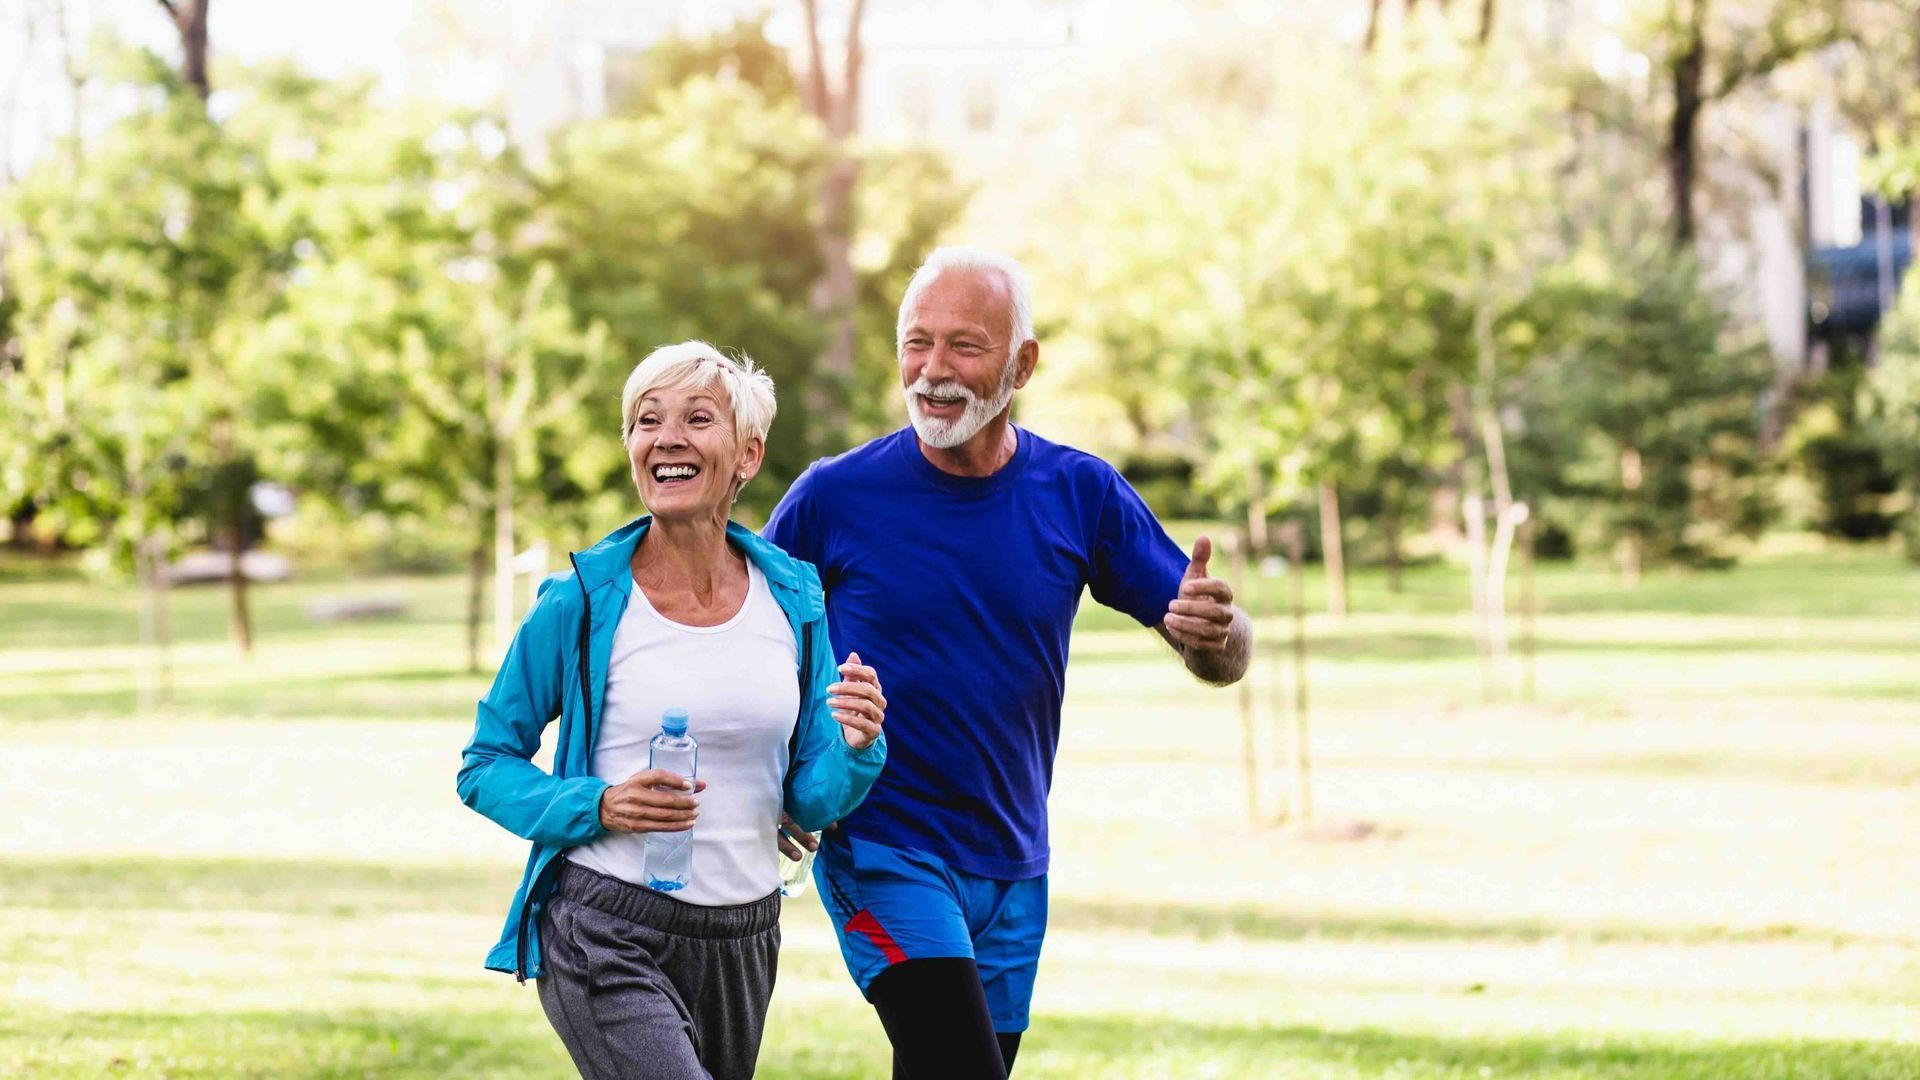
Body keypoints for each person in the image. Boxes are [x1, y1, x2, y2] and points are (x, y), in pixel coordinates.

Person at [764, 247, 1251, 1077]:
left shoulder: (1080, 492)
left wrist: (1219, 636)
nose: (933, 371)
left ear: (1022, 364)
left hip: (1014, 861)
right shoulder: (831, 497)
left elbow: (1221, 650)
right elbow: (747, 648)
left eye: (964, 345)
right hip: (884, 848)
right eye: (916, 343)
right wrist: (773, 779)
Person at [456, 341, 889, 1080]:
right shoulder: (583, 602)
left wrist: (854, 747)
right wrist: (602, 805)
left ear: (747, 455)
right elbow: (484, 765)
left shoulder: (793, 598)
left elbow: (805, 799)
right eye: (645, 420)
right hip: (605, 929)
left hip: (743, 936)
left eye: (697, 418)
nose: (667, 438)